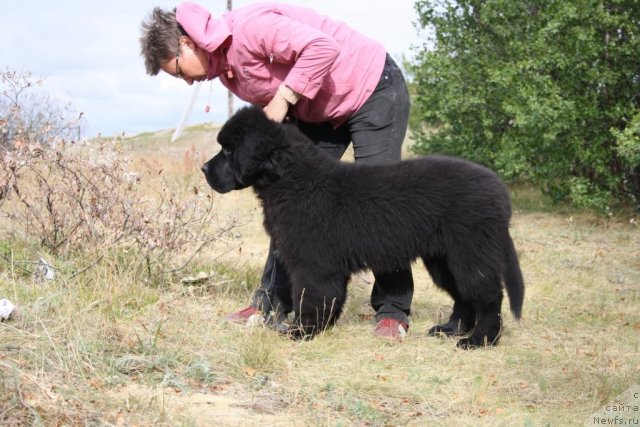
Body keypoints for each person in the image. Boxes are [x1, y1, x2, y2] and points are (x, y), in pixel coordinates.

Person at [140, 1, 414, 341]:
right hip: (318, 111)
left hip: (372, 88)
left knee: (378, 204)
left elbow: (321, 47)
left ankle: (392, 310)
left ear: (186, 44)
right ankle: (272, 302)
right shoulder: (223, 67)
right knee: (289, 202)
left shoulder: (249, 29)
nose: (185, 82)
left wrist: (283, 98)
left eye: (179, 71)